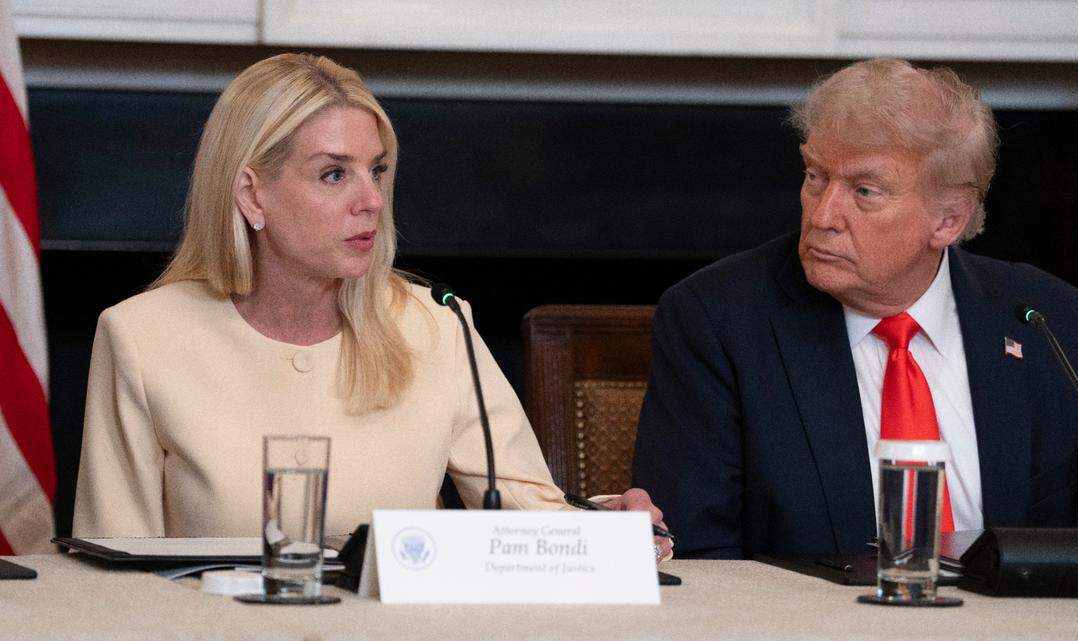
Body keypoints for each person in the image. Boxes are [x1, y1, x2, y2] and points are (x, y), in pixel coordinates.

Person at [73, 53, 671, 560]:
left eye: (377, 171)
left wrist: (612, 528)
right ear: (252, 193)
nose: (370, 200)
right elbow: (112, 565)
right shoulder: (141, 337)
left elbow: (528, 517)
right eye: (334, 175)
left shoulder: (436, 325)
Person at [632, 58, 1078, 559]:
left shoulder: (1055, 325)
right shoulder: (718, 321)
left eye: (864, 192)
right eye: (815, 177)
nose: (823, 215)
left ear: (948, 221)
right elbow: (698, 561)